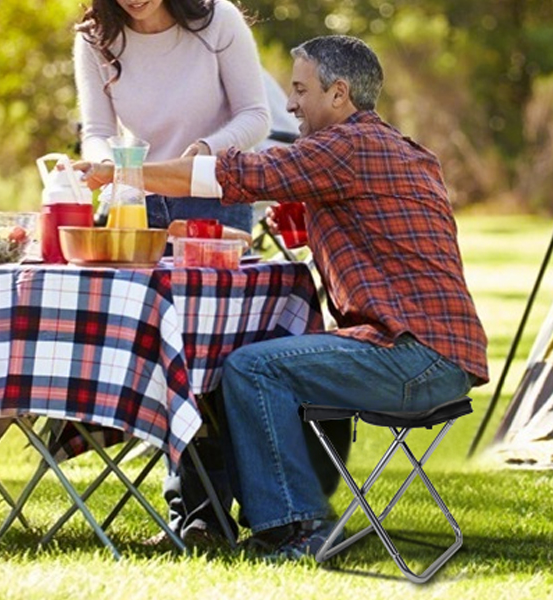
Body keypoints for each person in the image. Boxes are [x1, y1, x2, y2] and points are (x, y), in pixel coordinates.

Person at [77, 35, 489, 558]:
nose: (290, 104)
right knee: (258, 355)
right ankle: (232, 517)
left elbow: (231, 174)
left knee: (254, 368)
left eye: (300, 89)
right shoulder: (396, 148)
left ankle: (297, 528)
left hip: (412, 359)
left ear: (339, 94)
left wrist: (122, 172)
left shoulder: (346, 146)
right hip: (439, 356)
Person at [74, 0, 269, 232]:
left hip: (214, 198)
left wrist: (207, 148)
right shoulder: (96, 38)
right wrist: (108, 168)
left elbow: (255, 115)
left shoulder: (219, 19)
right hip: (138, 205)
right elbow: (97, 133)